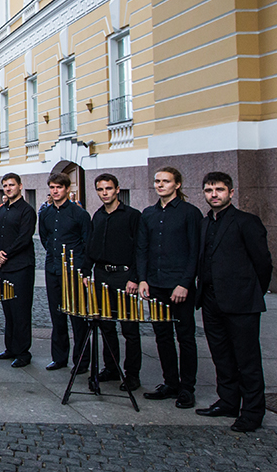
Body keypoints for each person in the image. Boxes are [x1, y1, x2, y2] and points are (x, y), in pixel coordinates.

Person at [195, 172, 272, 433]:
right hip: (210, 299)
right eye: (209, 190)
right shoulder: (205, 223)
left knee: (247, 360)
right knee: (221, 356)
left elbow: (263, 263)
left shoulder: (246, 222)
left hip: (241, 301)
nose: (214, 194)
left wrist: (252, 292)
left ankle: (252, 412)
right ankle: (228, 402)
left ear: (231, 192)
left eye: (219, 189)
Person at [137, 166, 202, 408]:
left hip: (179, 286)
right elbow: (142, 249)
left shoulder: (190, 213)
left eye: (165, 181)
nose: (160, 185)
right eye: (157, 181)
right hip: (155, 284)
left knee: (185, 337)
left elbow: (195, 252)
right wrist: (143, 279)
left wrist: (185, 283)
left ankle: (187, 388)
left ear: (177, 184)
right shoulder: (148, 213)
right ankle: (170, 383)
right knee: (162, 336)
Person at [84, 173, 143, 391]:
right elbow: (92, 247)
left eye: (108, 188)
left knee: (129, 328)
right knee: (106, 325)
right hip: (102, 275)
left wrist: (135, 278)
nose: (104, 193)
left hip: (124, 276)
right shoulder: (98, 216)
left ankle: (132, 374)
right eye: (100, 189)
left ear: (117, 189)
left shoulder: (132, 216)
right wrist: (85, 271)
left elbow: (140, 249)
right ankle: (111, 367)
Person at [40, 173, 92, 374]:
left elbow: (87, 243)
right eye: (52, 187)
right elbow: (45, 238)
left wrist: (83, 270)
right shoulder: (46, 213)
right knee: (57, 315)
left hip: (74, 271)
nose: (55, 191)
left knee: (77, 317)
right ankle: (59, 358)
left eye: (59, 187)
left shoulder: (79, 214)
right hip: (53, 269)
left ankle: (81, 361)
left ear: (67, 189)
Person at [0, 173, 37, 368]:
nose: (8, 188)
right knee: (8, 309)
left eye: (12, 185)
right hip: (4, 267)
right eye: (5, 185)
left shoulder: (27, 211)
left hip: (21, 267)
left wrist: (5, 254)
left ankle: (23, 352)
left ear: (20, 186)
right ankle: (10, 348)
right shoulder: (2, 210)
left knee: (21, 310)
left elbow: (24, 238)